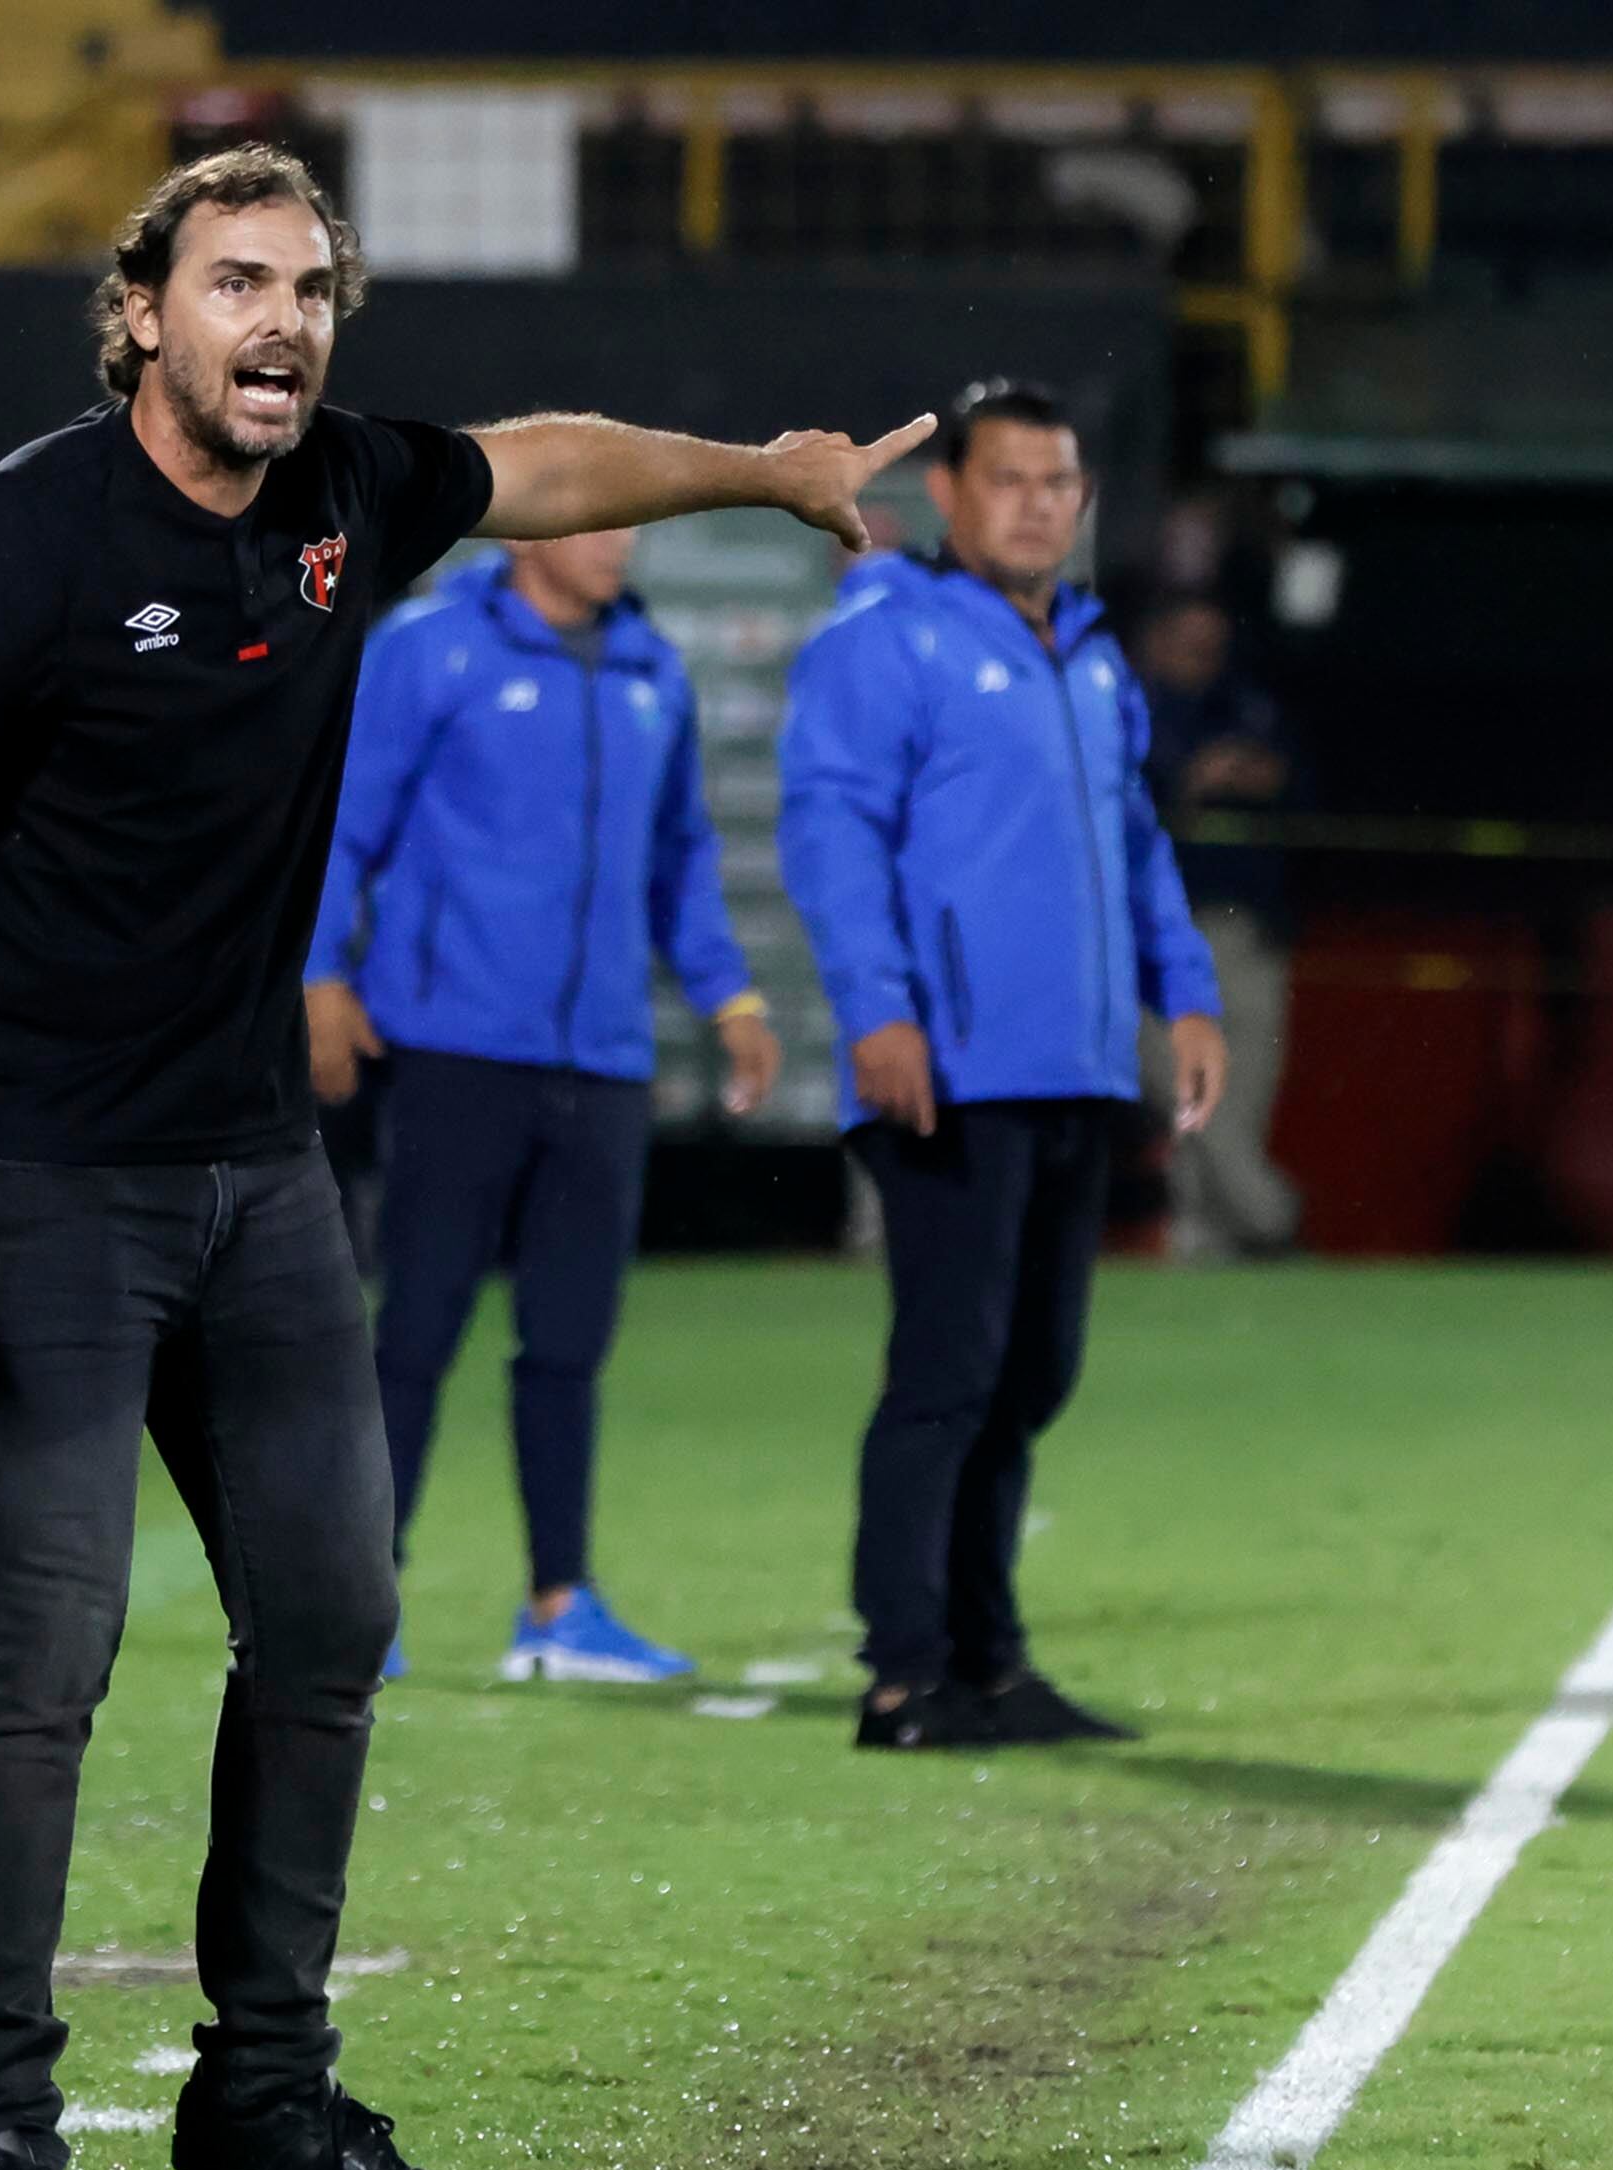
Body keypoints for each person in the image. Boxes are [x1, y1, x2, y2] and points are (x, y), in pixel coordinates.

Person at [0, 142, 928, 2170]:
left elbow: (542, 461)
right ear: (142, 319)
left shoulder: (349, 495)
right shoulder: (33, 534)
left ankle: (260, 2094)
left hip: (253, 1165)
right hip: (31, 1170)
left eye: (310, 287)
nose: (281, 320)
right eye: (238, 283)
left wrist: (764, 466)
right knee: (45, 1651)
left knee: (338, 1611)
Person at [778, 380, 1226, 1755]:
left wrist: (1185, 992)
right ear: (952, 496)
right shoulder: (888, 634)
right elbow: (830, 830)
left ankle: (989, 1656)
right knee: (947, 1374)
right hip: (950, 1069)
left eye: (1060, 481)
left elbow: (1138, 846)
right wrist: (878, 1011)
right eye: (1013, 478)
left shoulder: (1090, 655)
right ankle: (907, 1675)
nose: (1040, 501)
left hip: (1073, 1069)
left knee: (1032, 1373)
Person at [305, 529, 778, 1685]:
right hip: (454, 1051)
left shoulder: (649, 667)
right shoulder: (427, 651)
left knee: (569, 1345)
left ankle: (560, 1609)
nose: (621, 540)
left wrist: (731, 998)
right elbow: (339, 825)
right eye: (599, 516)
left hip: (605, 1063)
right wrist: (318, 978)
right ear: (529, 525)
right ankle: (355, 1605)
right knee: (414, 1335)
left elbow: (681, 858)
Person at [1138, 596, 1304, 1260]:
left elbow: (1304, 789)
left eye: (1212, 643)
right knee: (1186, 1084)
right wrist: (1189, 776)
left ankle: (1211, 1237)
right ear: (1153, 640)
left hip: (1246, 931)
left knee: (1241, 1096)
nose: (1200, 657)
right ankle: (1272, 1215)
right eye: (1186, 641)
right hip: (1152, 932)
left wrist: (1258, 775)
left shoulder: (1252, 708)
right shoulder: (1122, 706)